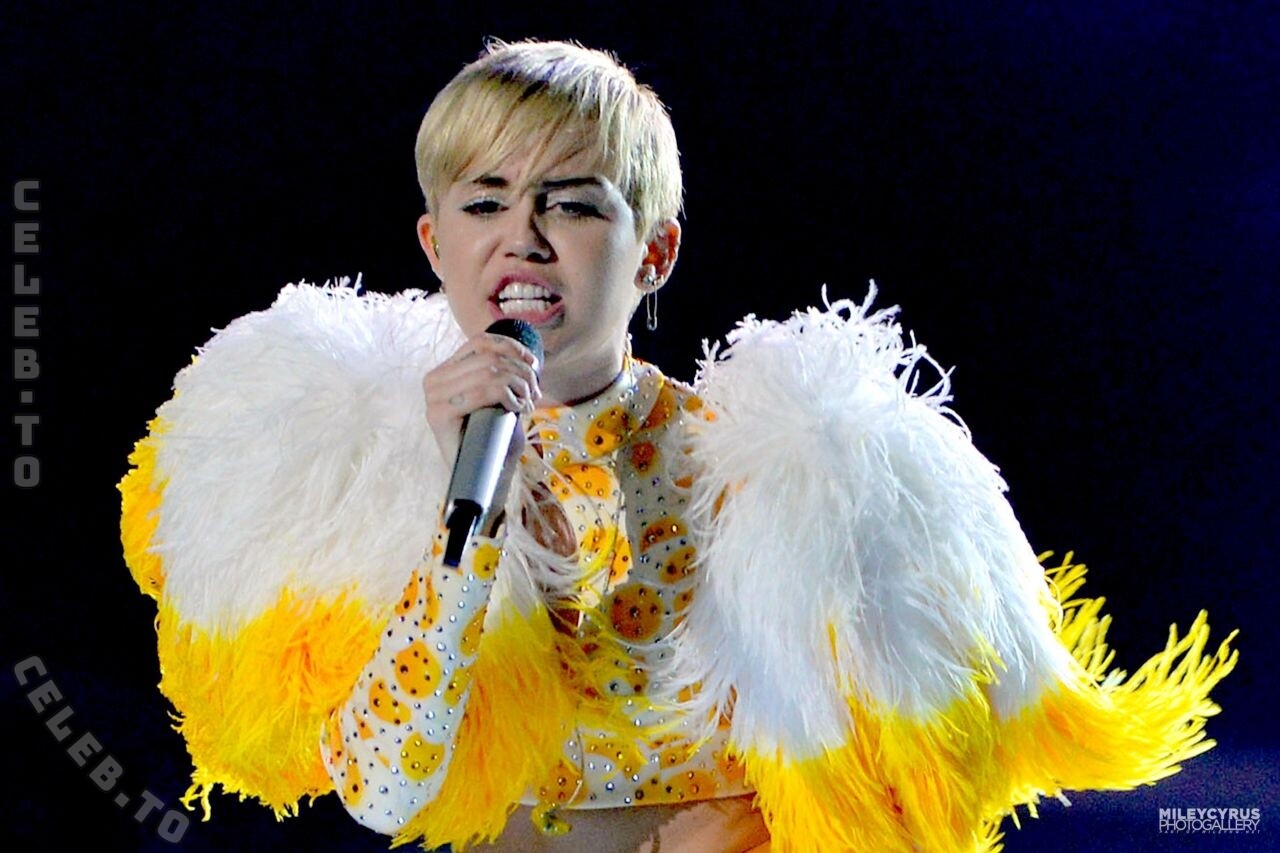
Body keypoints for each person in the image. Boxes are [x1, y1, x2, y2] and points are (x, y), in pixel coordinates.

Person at [119, 39, 1237, 852]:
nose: (523, 238)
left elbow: (868, 769)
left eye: (570, 204)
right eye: (484, 203)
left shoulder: (750, 467)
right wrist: (467, 521)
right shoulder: (372, 469)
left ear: (652, 253)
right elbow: (382, 790)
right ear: (433, 242)